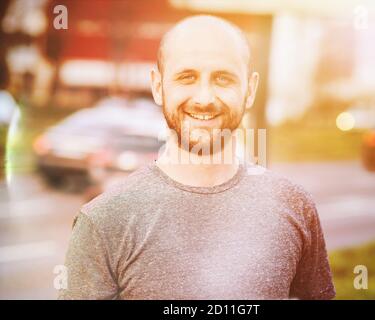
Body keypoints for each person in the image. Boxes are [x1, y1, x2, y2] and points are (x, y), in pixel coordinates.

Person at [59, 15, 335, 300]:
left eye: (223, 78)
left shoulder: (294, 206)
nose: (204, 98)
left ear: (250, 90)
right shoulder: (103, 220)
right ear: (157, 86)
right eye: (186, 77)